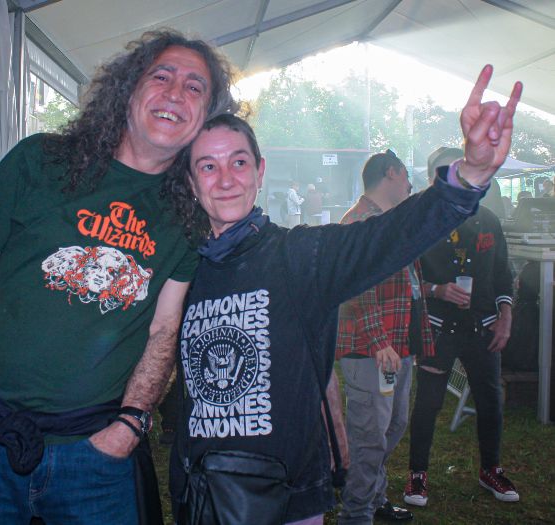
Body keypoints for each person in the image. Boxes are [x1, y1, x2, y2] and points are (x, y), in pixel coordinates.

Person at [169, 64, 522, 525]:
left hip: (286, 499)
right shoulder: (178, 270)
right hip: (201, 495)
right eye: (207, 166)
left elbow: (391, 236)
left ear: (260, 171)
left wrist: (468, 175)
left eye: (238, 162)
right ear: (191, 182)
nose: (225, 179)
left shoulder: (299, 256)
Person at [0, 30, 236, 524]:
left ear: (205, 116)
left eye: (195, 87)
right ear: (128, 90)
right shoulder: (40, 161)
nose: (177, 94)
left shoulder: (187, 218)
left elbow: (164, 330)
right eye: (161, 77)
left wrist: (130, 425)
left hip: (94, 455)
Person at [404, 146, 519, 509]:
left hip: (482, 325)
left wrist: (505, 316)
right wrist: (435, 289)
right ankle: (417, 474)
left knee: (490, 400)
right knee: (428, 403)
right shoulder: (420, 223)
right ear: (431, 179)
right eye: (442, 174)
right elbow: (404, 280)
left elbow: (503, 274)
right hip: (437, 327)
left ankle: (491, 469)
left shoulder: (488, 219)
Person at [335, 150, 433, 524]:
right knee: (370, 436)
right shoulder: (359, 221)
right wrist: (379, 340)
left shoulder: (389, 220)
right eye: (406, 176)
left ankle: (373, 499)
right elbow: (358, 287)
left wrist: (408, 342)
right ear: (391, 173)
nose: (410, 184)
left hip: (396, 344)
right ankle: (356, 513)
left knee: (392, 426)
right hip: (370, 349)